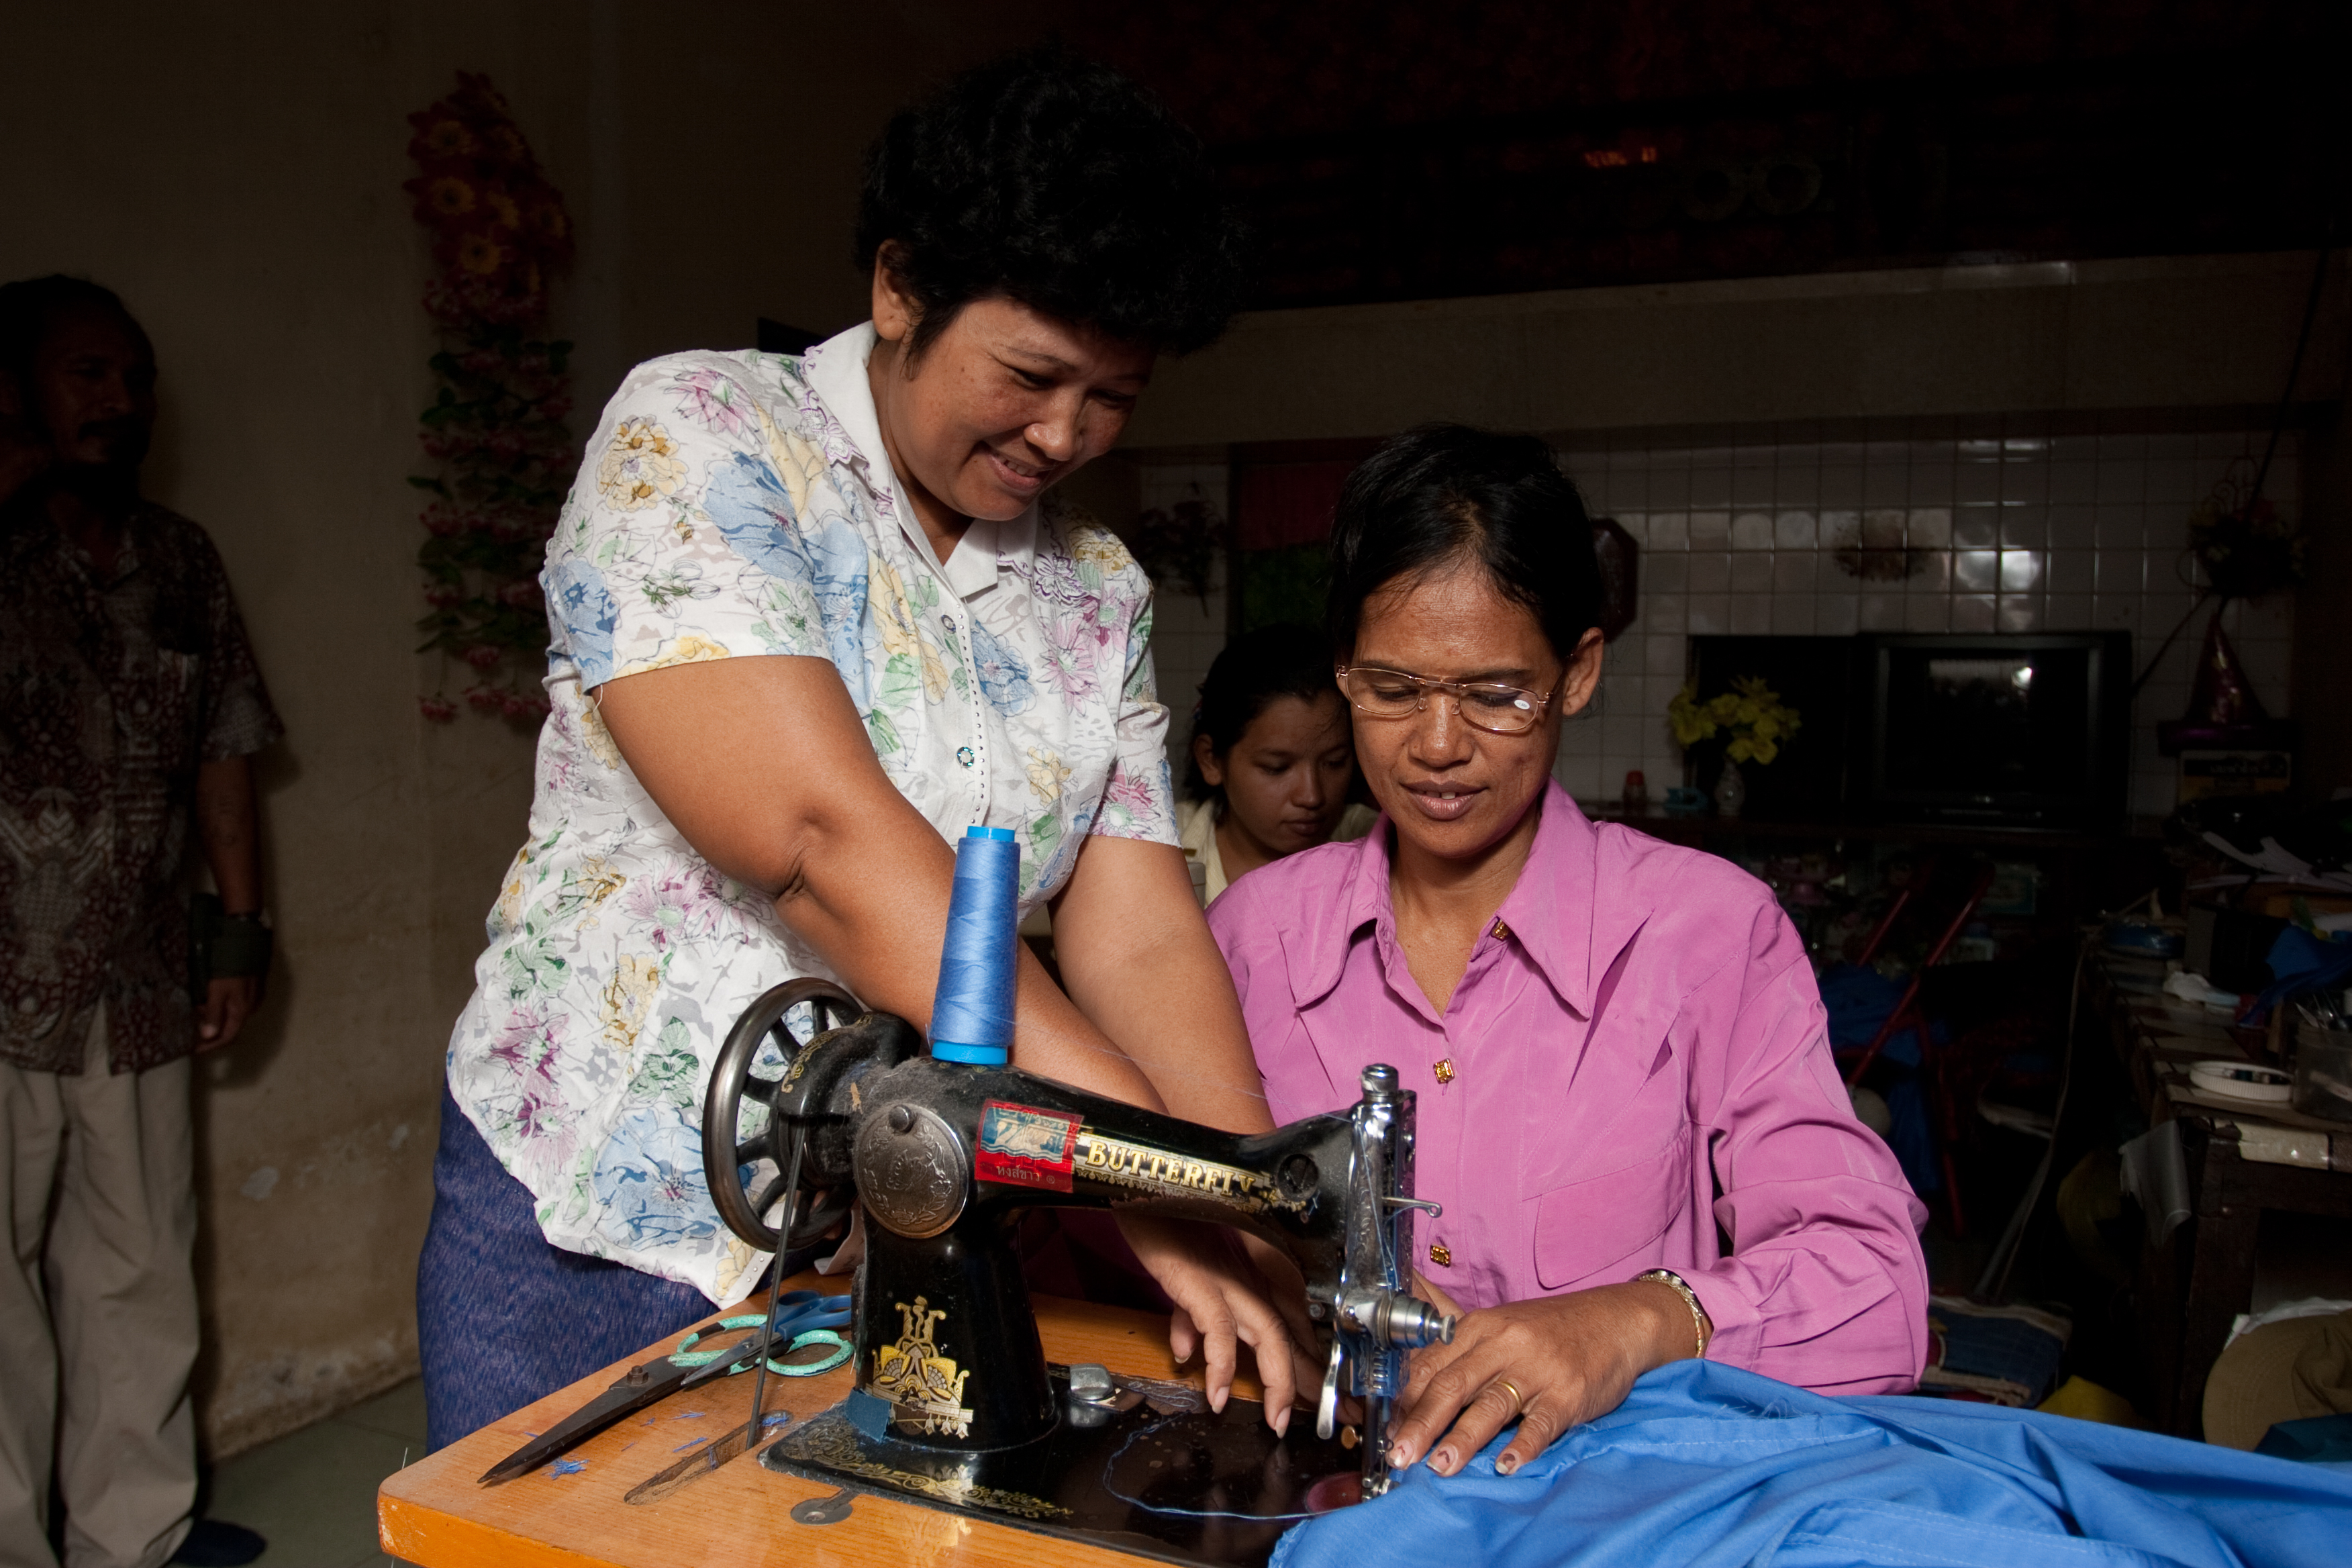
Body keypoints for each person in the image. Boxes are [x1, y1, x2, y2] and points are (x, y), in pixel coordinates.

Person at [419, 48, 1316, 1453]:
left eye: (1114, 396)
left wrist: (1247, 1214)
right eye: (1031, 375)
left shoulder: (1095, 586)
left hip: (887, 1224)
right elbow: (818, 845)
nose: (1064, 434)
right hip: (605, 1210)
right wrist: (1142, 1179)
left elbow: (1140, 937)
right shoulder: (705, 437)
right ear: (900, 288)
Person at [1208, 424, 1928, 1482]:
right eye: (1394, 690)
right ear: (1344, 672)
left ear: (1577, 673)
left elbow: (1878, 1289)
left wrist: (1636, 1323)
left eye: (1497, 694)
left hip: (1613, 1510)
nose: (1438, 745)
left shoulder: (1707, 934)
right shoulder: (1251, 937)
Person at [0, 277, 279, 1568]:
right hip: (3, 979)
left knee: (140, 1271)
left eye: (135, 378)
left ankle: (136, 1540)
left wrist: (239, 934)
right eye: (87, 374)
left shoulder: (177, 561)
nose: (121, 401)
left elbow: (224, 748)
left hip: (138, 978)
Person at [1178, 622, 1375, 904]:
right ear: (1211, 760)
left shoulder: (1379, 843)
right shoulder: (1158, 848)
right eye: (1276, 768)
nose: (1311, 796)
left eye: (1334, 763)